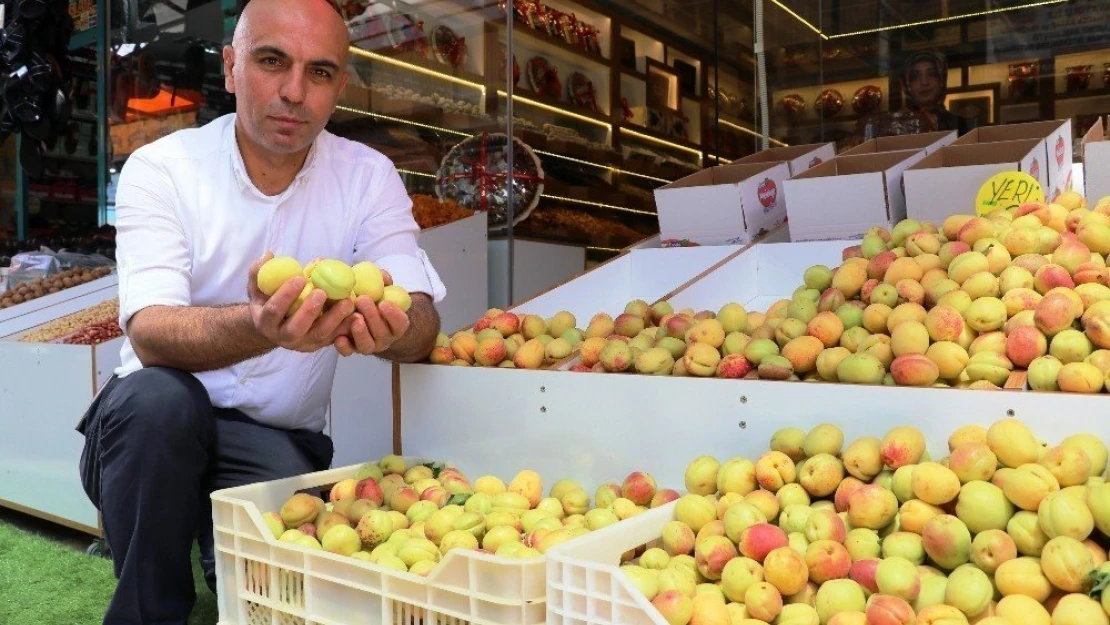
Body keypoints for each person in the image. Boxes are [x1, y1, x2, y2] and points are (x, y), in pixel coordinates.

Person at [75, 0, 445, 622]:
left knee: (264, 592)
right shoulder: (164, 168)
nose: (294, 92)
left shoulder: (368, 177)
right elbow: (151, 330)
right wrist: (260, 328)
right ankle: (148, 603)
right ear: (231, 67)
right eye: (272, 61)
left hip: (274, 436)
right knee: (161, 401)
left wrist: (393, 329)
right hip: (148, 431)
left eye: (320, 72)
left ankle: (209, 540)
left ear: (340, 87)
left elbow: (421, 319)